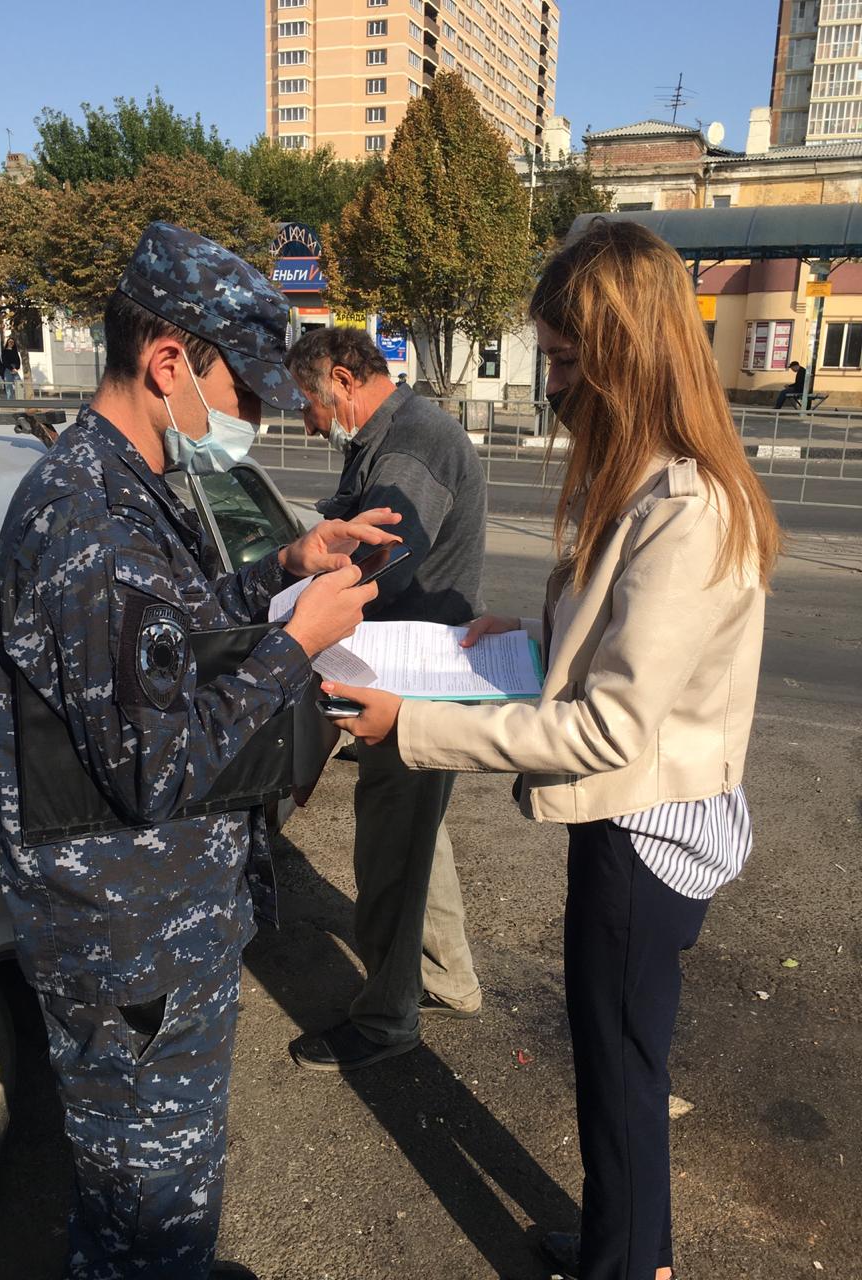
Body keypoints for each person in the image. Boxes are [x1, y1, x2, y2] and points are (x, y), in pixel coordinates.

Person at [323, 219, 780, 1280]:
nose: (556, 384)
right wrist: (518, 642)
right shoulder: (655, 479)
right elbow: (618, 653)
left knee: (620, 1070)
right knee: (624, 1063)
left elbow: (613, 724)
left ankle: (631, 1265)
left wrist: (413, 725)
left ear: (633, 355)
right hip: (636, 814)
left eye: (572, 361)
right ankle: (636, 1246)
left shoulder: (686, 509)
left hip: (640, 832)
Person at [0, 222, 402, 1280]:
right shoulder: (95, 518)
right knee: (153, 1213)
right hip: (131, 945)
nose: (255, 419)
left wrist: (284, 567)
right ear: (169, 361)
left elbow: (164, 647)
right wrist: (297, 644)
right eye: (245, 392)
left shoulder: (127, 482)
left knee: (139, 1196)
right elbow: (157, 765)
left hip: (151, 932)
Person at [283, 327, 487, 1072]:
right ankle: (448, 978)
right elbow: (343, 516)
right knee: (417, 836)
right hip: (412, 669)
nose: (305, 420)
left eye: (308, 401)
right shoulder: (386, 437)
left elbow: (380, 564)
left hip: (411, 679)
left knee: (391, 849)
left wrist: (295, 609)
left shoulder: (409, 448)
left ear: (342, 378)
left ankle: (385, 1020)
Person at [0, 334, 22, 399]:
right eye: (10, 342)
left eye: (12, 342)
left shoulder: (15, 351)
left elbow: (18, 360)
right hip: (8, 368)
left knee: (19, 384)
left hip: (15, 368)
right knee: (8, 385)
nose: (11, 343)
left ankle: (20, 400)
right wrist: (11, 368)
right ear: (7, 343)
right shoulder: (5, 351)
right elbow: (4, 361)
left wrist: (17, 368)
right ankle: (10, 401)